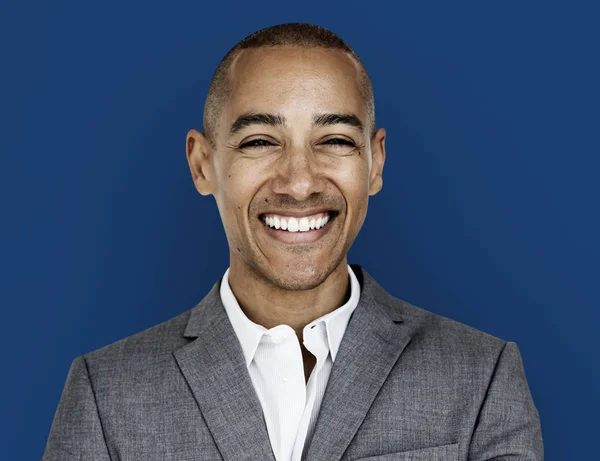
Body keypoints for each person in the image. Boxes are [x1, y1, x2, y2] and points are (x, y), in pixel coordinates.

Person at [43, 23, 543, 461]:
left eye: (335, 141)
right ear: (203, 164)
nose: (299, 182)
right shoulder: (105, 393)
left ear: (376, 162)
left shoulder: (481, 377)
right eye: (260, 141)